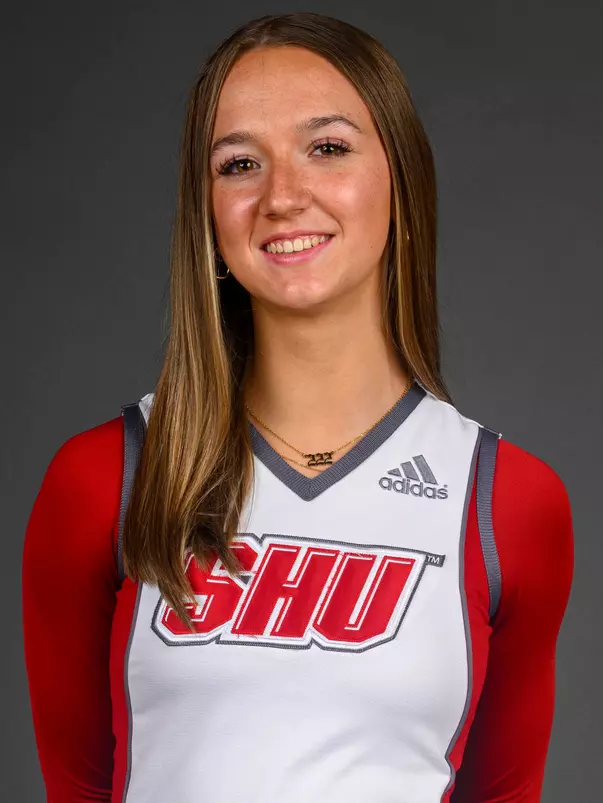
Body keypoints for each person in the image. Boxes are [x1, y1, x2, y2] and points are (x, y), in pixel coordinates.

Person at [22, 11, 574, 803]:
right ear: (206, 212)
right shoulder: (105, 476)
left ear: (401, 180)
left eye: (328, 148)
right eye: (239, 163)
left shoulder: (505, 499)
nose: (283, 196)